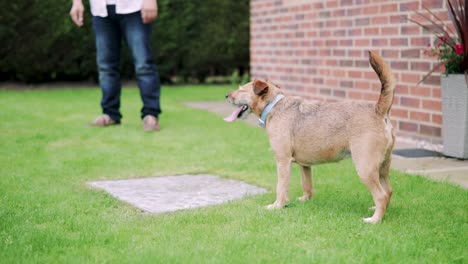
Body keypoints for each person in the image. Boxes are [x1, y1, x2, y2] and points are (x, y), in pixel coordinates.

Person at [70, 0, 162, 131]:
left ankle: (151, 115)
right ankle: (110, 114)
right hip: (101, 9)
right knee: (106, 67)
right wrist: (76, 2)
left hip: (134, 7)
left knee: (143, 65)